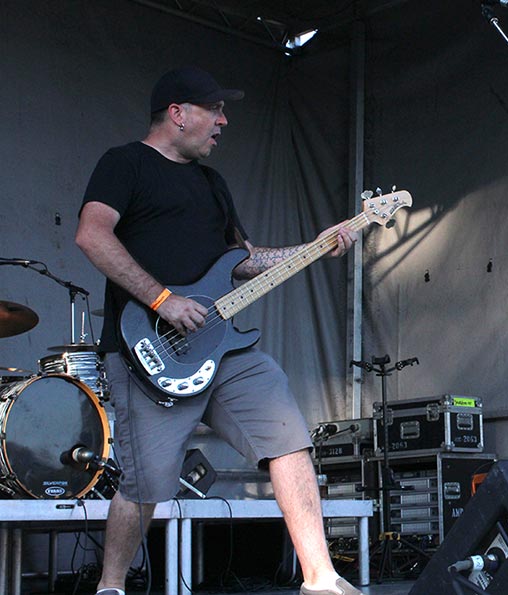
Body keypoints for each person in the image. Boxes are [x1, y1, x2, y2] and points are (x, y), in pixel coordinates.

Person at [76, 66, 363, 595]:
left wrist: (316, 246)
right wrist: (163, 300)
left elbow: (246, 260)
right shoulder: (125, 164)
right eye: (215, 110)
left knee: (288, 437)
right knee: (147, 484)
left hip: (223, 345)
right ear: (178, 113)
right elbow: (92, 236)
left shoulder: (213, 183)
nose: (224, 121)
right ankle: (110, 586)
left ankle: (321, 579)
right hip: (149, 350)